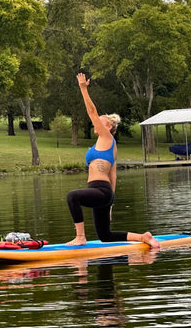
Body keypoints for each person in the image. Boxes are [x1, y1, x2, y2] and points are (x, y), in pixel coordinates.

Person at [66, 73, 160, 248]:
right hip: (103, 193)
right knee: (106, 237)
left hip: (101, 190)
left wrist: (83, 89)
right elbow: (113, 176)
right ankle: (143, 237)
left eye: (99, 123)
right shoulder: (105, 145)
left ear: (108, 127)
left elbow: (92, 111)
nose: (95, 124)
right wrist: (110, 205)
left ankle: (80, 237)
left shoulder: (107, 138)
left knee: (72, 197)